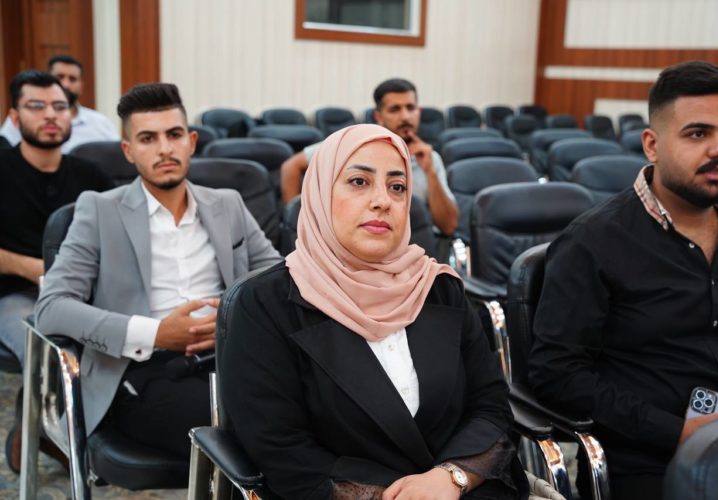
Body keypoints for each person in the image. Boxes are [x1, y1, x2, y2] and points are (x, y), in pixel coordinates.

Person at [221, 124, 528, 499]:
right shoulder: (266, 303)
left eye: (397, 187)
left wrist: (451, 477)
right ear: (319, 194)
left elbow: (491, 406)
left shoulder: (438, 288)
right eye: (359, 182)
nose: (382, 200)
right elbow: (280, 448)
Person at [527, 60, 718, 500]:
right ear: (652, 144)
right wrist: (676, 431)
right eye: (698, 134)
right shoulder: (594, 242)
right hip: (655, 457)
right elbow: (556, 373)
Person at [35, 83, 282, 461]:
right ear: (128, 151)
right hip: (141, 370)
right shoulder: (100, 211)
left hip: (232, 356)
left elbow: (274, 275)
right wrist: (156, 334)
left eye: (174, 134)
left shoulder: (227, 204)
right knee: (246, 432)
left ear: (192, 141)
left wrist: (233, 317)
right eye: (148, 138)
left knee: (314, 406)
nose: (165, 148)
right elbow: (51, 307)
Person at [0, 69, 113, 473]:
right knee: (56, 352)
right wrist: (38, 269)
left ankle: (49, 429)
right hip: (15, 296)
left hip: (81, 294)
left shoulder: (89, 174)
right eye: (37, 106)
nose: (51, 115)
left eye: (59, 107)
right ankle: (56, 432)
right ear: (15, 118)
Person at [280, 78, 459, 235]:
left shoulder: (430, 158)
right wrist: (299, 224)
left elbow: (448, 227)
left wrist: (430, 173)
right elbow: (291, 167)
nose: (405, 116)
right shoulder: (354, 146)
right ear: (379, 117)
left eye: (410, 108)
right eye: (395, 109)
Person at [0, 54, 119, 152]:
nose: (66, 85)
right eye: (60, 77)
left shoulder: (101, 123)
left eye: (72, 79)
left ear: (81, 86)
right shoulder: (22, 119)